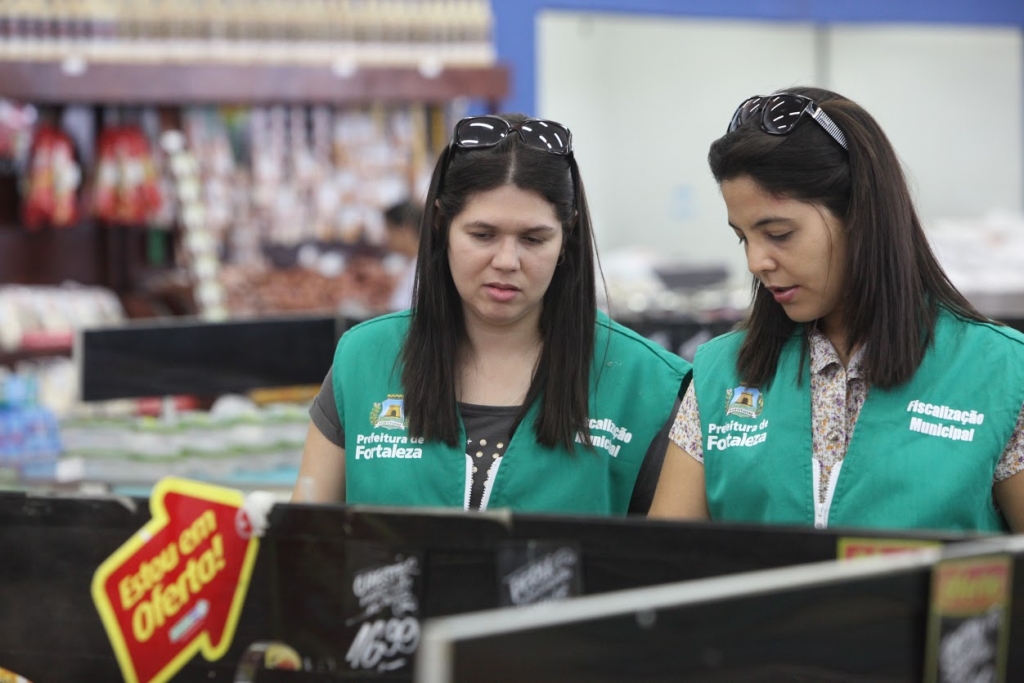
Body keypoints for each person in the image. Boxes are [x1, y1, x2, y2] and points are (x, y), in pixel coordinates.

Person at [649, 87, 1024, 533]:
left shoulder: (999, 372)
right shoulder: (721, 373)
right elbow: (663, 563)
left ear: (860, 215)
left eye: (780, 233)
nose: (756, 262)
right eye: (743, 237)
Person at [294, 113, 690, 515]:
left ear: (567, 237)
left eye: (533, 239)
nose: (506, 261)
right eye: (482, 235)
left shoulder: (645, 382)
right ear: (440, 224)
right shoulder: (363, 359)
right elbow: (304, 547)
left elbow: (672, 563)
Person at [383, 199, 424, 311]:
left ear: (407, 228)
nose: (386, 237)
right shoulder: (412, 264)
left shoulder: (424, 266)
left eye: (390, 230)